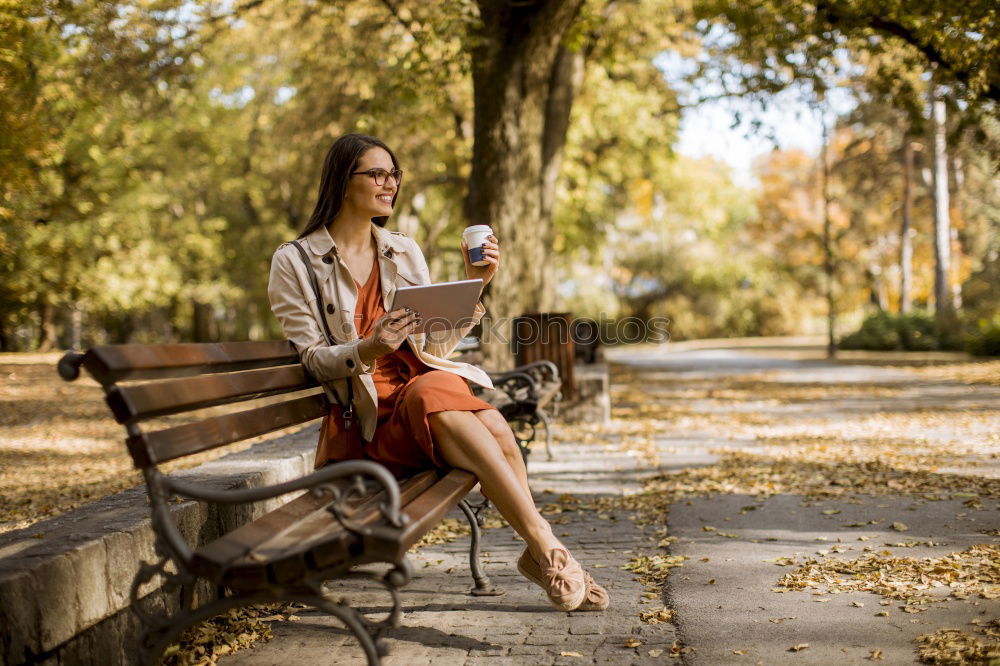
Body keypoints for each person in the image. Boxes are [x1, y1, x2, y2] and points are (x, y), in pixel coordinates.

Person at [267, 133, 607, 612]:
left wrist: (476, 286)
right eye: (377, 174)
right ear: (344, 182)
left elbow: (433, 346)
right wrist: (366, 348)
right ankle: (544, 547)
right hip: (368, 426)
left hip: (424, 402)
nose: (390, 184)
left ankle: (543, 547)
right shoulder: (295, 262)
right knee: (449, 399)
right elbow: (309, 361)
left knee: (460, 403)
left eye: (394, 175)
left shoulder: (403, 251)